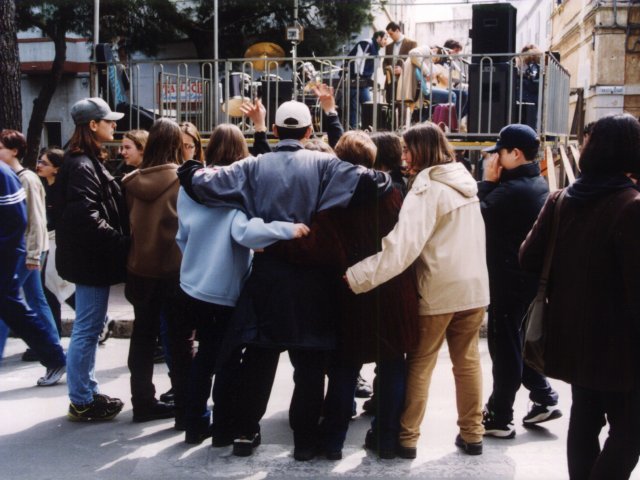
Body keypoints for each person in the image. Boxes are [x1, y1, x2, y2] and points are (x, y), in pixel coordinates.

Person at [177, 100, 392, 461]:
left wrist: (189, 167)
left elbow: (201, 183)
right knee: (309, 366)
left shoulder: (254, 165)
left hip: (269, 274)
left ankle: (245, 432)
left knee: (260, 356)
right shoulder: (327, 165)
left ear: (275, 132)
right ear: (310, 133)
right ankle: (305, 442)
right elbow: (376, 182)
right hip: (314, 280)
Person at [267, 130, 418, 459]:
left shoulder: (335, 201)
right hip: (392, 292)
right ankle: (387, 440)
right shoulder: (393, 195)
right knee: (392, 365)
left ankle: (333, 442)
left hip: (352, 294)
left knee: (344, 371)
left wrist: (273, 239)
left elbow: (314, 248)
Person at [345, 122, 490, 458]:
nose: (404, 156)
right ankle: (473, 434)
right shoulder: (466, 183)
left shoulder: (426, 189)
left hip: (439, 289)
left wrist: (356, 276)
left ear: (422, 150)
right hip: (475, 288)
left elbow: (401, 248)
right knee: (467, 363)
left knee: (420, 365)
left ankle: (408, 439)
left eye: (408, 149)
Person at [520, 113, 640, 480]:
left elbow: (527, 258)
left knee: (585, 420)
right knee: (629, 431)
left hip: (571, 335)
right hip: (622, 345)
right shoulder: (632, 205)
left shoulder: (561, 199)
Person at [177, 123, 309, 445]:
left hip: (191, 284)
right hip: (223, 291)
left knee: (202, 358)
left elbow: (182, 235)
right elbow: (244, 233)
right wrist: (286, 229)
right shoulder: (234, 189)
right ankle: (223, 429)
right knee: (226, 361)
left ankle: (193, 424)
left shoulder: (191, 187)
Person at [478, 124, 561, 439]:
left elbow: (478, 217)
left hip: (507, 280)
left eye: (499, 152)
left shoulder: (511, 191)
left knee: (505, 346)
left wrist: (487, 183)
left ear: (514, 153)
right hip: (523, 278)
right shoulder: (534, 183)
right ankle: (543, 396)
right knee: (514, 343)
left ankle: (501, 416)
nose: (495, 160)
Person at [55, 97, 129, 421]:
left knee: (89, 327)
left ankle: (85, 393)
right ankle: (82, 399)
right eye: (109, 121)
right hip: (91, 261)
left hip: (89, 260)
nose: (115, 125)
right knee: (87, 329)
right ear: (93, 125)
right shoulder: (82, 163)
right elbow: (87, 217)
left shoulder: (82, 160)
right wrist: (122, 242)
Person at [121, 118, 191, 424]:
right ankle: (187, 406)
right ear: (176, 143)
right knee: (179, 341)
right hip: (175, 271)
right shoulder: (183, 179)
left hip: (139, 269)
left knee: (143, 337)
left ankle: (142, 402)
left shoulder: (131, 181)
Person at [0, 130, 65, 386]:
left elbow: (21, 220)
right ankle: (54, 355)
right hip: (14, 253)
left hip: (11, 255)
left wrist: (33, 254)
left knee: (19, 308)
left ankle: (54, 356)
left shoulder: (10, 176)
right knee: (22, 305)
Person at [36, 148, 76, 339]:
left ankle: (53, 334)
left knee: (50, 286)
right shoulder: (44, 187)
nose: (39, 165)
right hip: (48, 242)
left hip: (56, 242)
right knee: (53, 287)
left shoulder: (60, 191)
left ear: (57, 169)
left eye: (44, 163)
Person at [346, 31, 387, 129]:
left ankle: (367, 128)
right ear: (378, 38)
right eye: (385, 39)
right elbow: (358, 60)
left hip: (363, 81)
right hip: (356, 79)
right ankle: (354, 128)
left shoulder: (375, 49)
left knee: (367, 105)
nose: (386, 41)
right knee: (355, 107)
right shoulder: (367, 43)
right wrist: (358, 76)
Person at [383, 22, 417, 106]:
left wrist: (403, 70)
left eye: (391, 34)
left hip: (404, 81)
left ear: (397, 30)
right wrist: (387, 69)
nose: (390, 36)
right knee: (390, 106)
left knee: (403, 107)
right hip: (391, 82)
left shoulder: (412, 43)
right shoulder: (389, 46)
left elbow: (415, 62)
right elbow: (385, 61)